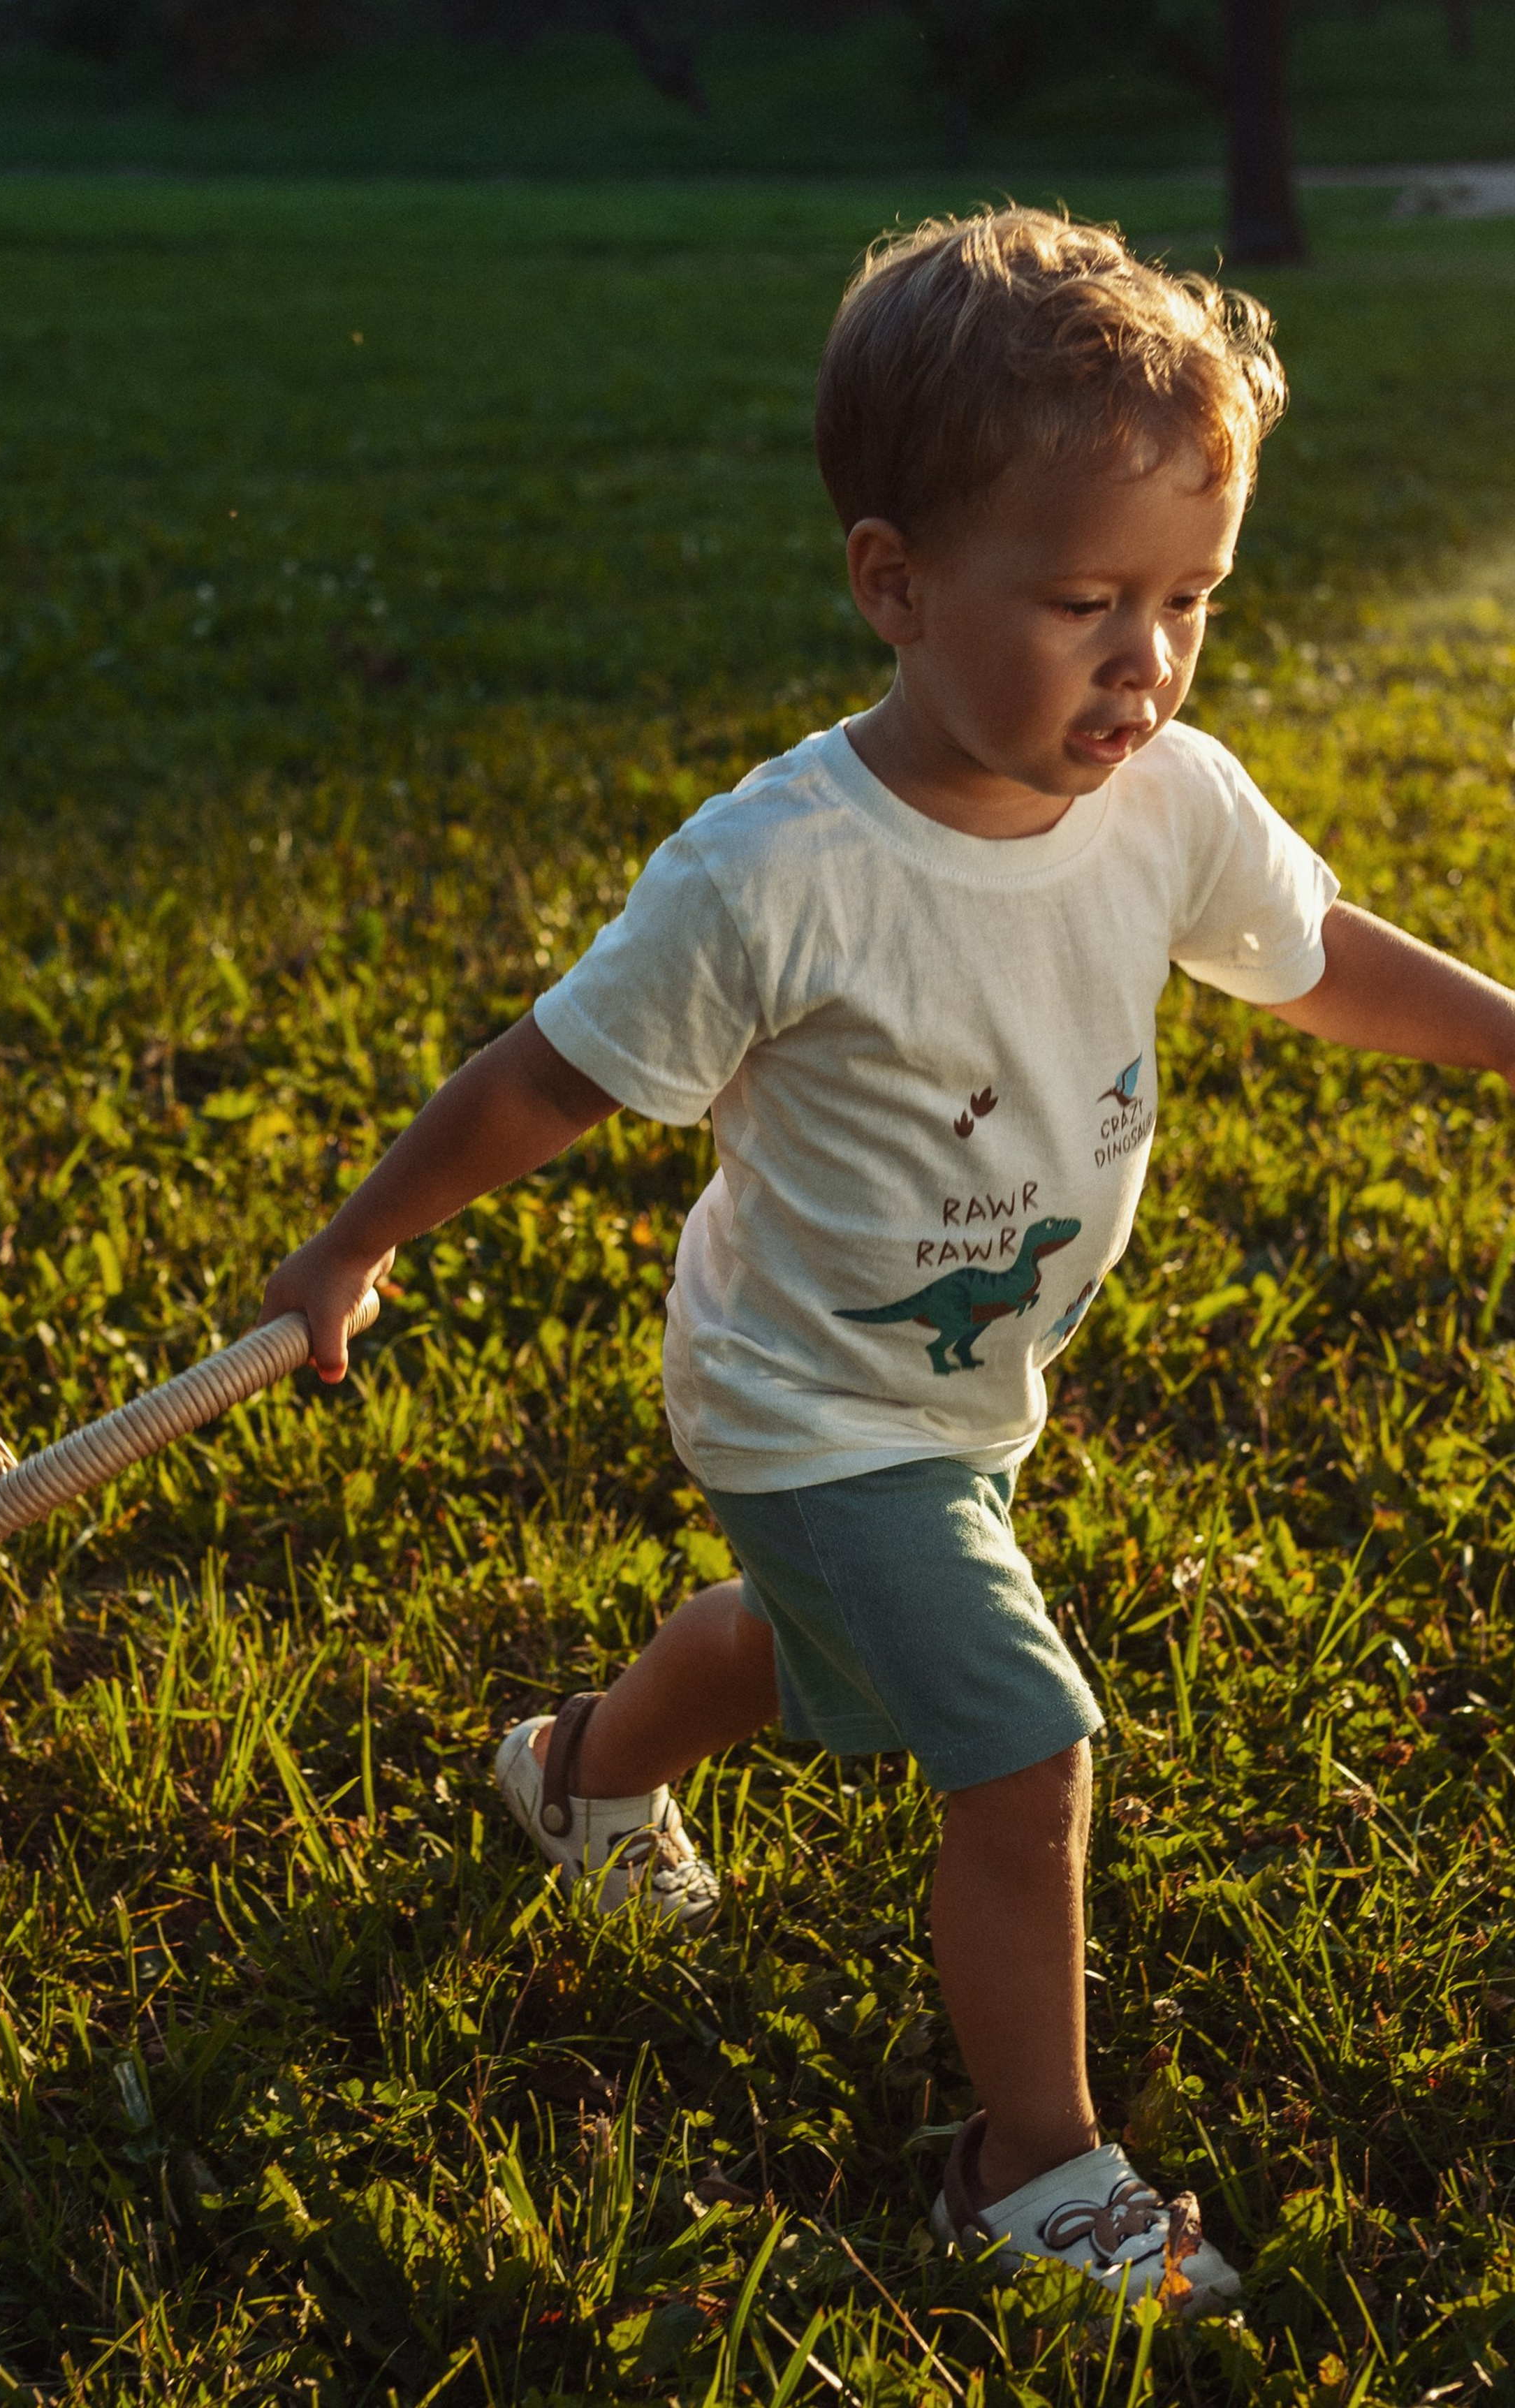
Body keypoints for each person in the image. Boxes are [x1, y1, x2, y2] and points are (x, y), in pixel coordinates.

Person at [259, 209, 1515, 2313]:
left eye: (1190, 600)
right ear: (897, 586)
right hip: (807, 1400)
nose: (1148, 661)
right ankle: (1031, 2171)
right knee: (1022, 1748)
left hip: (957, 1394)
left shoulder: (1174, 799)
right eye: (1087, 601)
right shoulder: (776, 875)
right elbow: (547, 1080)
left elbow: (1315, 963)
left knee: (788, 1651)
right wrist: (349, 1245)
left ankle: (573, 1774)